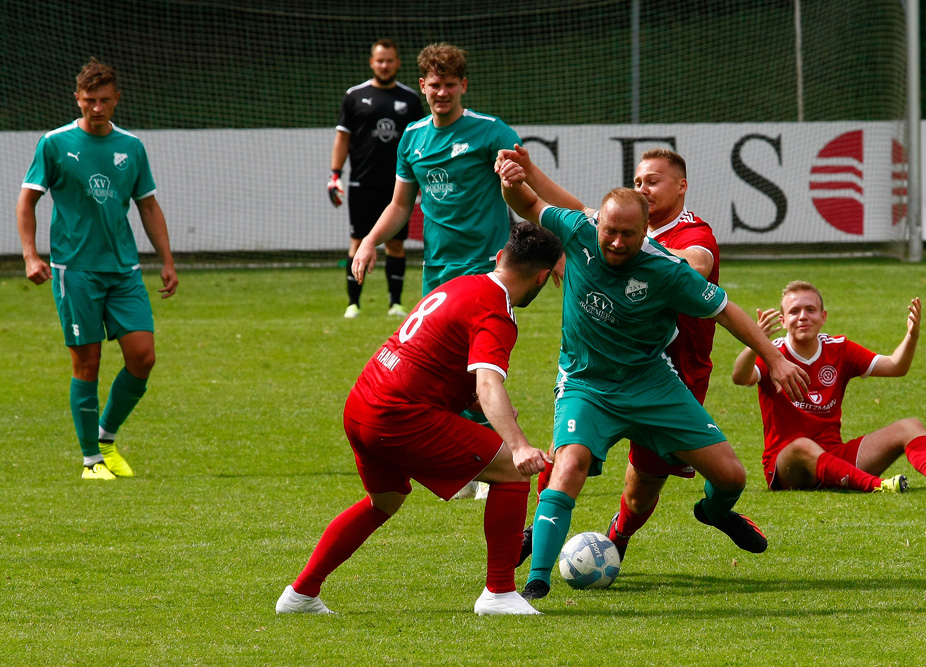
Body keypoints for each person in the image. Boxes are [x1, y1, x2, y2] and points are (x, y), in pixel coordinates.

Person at [498, 164, 811, 603]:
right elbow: (530, 204)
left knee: (731, 478)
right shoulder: (577, 228)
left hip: (652, 385)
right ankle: (538, 581)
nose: (617, 242)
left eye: (629, 234)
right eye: (610, 231)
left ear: (648, 230)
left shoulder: (666, 268)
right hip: (587, 384)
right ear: (598, 222)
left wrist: (774, 358)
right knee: (568, 466)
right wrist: (511, 183)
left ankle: (712, 511)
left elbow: (725, 310)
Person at [276, 222, 562, 616]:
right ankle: (498, 593)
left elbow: (443, 363)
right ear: (543, 277)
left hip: (361, 403)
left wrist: (484, 406)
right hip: (399, 414)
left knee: (384, 501)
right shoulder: (497, 312)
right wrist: (518, 446)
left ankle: (300, 594)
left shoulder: (461, 284)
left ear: (499, 257)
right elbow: (487, 383)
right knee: (511, 472)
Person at [498, 146, 720, 562]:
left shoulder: (692, 233)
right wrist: (530, 172)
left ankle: (618, 538)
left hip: (672, 374)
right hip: (604, 369)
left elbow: (697, 267)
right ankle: (539, 533)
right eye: (638, 182)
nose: (644, 188)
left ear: (681, 186)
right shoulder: (623, 227)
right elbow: (575, 212)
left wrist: (643, 258)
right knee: (568, 451)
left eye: (653, 181)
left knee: (643, 486)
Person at [16, 57, 178, 481]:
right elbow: (27, 199)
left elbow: (148, 205)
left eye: (105, 100)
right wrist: (31, 255)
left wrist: (166, 260)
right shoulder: (54, 143)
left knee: (143, 357)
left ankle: (106, 437)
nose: (97, 108)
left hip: (123, 269)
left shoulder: (132, 147)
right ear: (78, 98)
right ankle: (91, 461)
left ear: (117, 99)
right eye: (90, 100)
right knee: (87, 364)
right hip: (75, 270)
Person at [732, 281, 926, 494]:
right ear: (783, 319)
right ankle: (877, 486)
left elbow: (896, 367)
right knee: (802, 445)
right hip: (787, 467)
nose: (803, 317)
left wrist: (911, 337)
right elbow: (740, 377)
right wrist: (754, 342)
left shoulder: (838, 348)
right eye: (794, 311)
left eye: (810, 310)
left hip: (835, 457)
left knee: (909, 426)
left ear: (823, 317)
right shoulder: (772, 353)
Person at [351, 42, 522, 297]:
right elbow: (399, 205)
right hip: (435, 268)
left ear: (463, 85)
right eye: (435, 85)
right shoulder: (411, 137)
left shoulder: (493, 131)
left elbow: (526, 192)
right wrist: (370, 240)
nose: (442, 93)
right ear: (422, 86)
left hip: (486, 266)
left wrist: (553, 248)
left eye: (450, 85)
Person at [329, 39, 424, 319]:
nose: (385, 65)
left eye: (390, 60)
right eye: (380, 60)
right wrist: (335, 175)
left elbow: (421, 139)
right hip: (362, 183)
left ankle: (395, 304)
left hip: (399, 186)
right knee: (358, 240)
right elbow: (342, 138)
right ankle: (353, 303)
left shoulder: (410, 99)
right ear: (372, 63)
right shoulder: (355, 96)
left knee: (395, 244)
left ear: (398, 63)